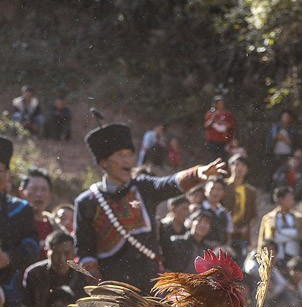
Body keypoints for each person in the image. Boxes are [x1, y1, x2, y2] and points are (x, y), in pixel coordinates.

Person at [74, 123, 227, 292]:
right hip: (113, 290)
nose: (128, 161)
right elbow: (84, 249)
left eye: (130, 155)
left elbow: (168, 184)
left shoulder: (142, 187)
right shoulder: (87, 202)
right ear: (104, 163)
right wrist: (98, 288)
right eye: (120, 155)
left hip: (150, 287)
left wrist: (198, 174)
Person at [0, 136, 40, 307]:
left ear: (7, 174)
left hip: (8, 287)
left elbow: (32, 246)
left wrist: (8, 257)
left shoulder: (20, 209)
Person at [22, 230, 85, 307]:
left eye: (67, 253)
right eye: (57, 253)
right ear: (46, 252)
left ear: (74, 253)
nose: (62, 259)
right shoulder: (34, 274)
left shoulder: (82, 275)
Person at [257, 186, 302, 266]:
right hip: (276, 258)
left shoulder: (299, 218)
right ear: (280, 199)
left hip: (295, 256)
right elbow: (262, 240)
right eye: (289, 199)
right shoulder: (268, 218)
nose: (292, 201)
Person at [222, 154, 258, 262]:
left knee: (240, 265)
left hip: (242, 235)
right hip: (224, 233)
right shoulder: (223, 186)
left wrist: (246, 227)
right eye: (236, 164)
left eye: (243, 165)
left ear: (247, 169)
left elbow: (254, 216)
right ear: (230, 167)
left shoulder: (250, 191)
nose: (240, 168)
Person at [19, 166, 54, 257]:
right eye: (34, 189)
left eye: (44, 190)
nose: (39, 194)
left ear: (50, 196)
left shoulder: (54, 224)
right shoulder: (14, 221)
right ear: (22, 193)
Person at [199, 177, 233, 252]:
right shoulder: (198, 210)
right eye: (212, 188)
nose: (215, 192)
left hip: (220, 252)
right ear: (205, 190)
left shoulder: (225, 213)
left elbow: (229, 236)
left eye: (219, 189)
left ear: (223, 192)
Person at [266, 110, 296, 183]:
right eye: (284, 116)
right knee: (274, 172)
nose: (285, 118)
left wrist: (282, 138)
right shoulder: (276, 126)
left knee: (287, 172)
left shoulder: (291, 129)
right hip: (277, 153)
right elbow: (274, 137)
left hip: (288, 154)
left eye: (287, 117)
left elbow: (292, 141)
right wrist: (285, 138)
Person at [203, 95, 236, 162]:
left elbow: (231, 126)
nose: (221, 105)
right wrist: (212, 119)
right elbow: (206, 126)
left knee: (223, 159)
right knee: (213, 159)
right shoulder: (210, 113)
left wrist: (220, 121)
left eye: (222, 103)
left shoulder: (227, 114)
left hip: (224, 141)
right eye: (219, 103)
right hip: (212, 141)